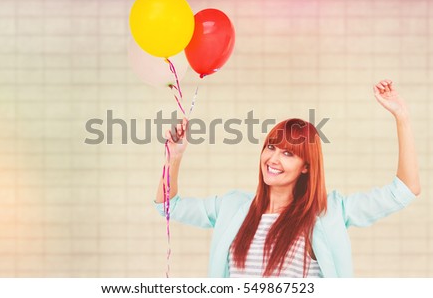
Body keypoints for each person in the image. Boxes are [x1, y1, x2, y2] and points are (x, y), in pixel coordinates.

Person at [154, 79, 420, 277]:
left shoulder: (329, 212)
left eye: (288, 154)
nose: (274, 159)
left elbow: (405, 190)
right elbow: (168, 206)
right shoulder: (233, 206)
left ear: (306, 166)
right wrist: (173, 157)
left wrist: (402, 118)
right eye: (271, 147)